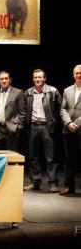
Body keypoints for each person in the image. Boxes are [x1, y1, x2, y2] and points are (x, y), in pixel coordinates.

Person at [23, 69, 62, 192]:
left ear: (44, 78)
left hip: (47, 126)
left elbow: (60, 109)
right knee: (33, 156)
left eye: (40, 77)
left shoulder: (53, 91)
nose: (37, 79)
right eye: (35, 77)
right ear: (33, 79)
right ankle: (35, 182)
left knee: (50, 157)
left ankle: (53, 183)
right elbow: (24, 111)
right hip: (33, 126)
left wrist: (54, 122)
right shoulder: (28, 92)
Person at [0, 70, 26, 151]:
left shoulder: (18, 92)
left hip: (12, 129)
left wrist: (18, 128)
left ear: (10, 80)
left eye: (6, 78)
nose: (4, 81)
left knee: (12, 157)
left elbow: (22, 113)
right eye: (2, 79)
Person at [59, 64, 81, 195]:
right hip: (68, 129)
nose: (79, 75)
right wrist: (68, 123)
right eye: (77, 73)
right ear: (73, 75)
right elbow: (63, 109)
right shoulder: (67, 90)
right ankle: (69, 186)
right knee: (68, 159)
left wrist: (76, 123)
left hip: (79, 128)